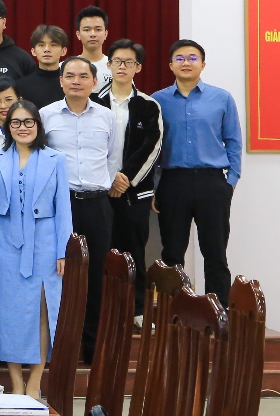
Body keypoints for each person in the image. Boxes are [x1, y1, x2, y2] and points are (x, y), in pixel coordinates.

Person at [0, 101, 72, 399]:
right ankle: (16, 382)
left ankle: (35, 381)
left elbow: (63, 209)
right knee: (9, 314)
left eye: (28, 122)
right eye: (16, 122)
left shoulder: (56, 159)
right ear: (8, 127)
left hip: (45, 244)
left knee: (42, 312)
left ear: (38, 125)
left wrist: (63, 251)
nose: (22, 127)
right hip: (4, 245)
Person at [153, 39, 242, 305]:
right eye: (179, 58)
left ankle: (218, 312)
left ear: (203, 64)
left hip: (212, 183)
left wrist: (231, 181)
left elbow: (233, 141)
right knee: (172, 253)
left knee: (215, 253)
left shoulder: (222, 98)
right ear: (170, 65)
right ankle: (172, 311)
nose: (186, 63)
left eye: (193, 58)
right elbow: (153, 148)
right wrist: (155, 186)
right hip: (173, 182)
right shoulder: (158, 100)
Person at [41, 56, 116, 360]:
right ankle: (61, 345)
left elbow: (113, 158)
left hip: (97, 204)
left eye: (83, 76)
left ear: (94, 82)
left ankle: (92, 346)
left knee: (96, 276)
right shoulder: (45, 115)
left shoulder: (107, 116)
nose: (76, 81)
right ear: (60, 81)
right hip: (60, 205)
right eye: (69, 75)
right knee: (59, 274)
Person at [99, 39, 163, 314]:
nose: (122, 67)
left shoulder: (149, 105)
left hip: (134, 194)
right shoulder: (94, 101)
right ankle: (103, 310)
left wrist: (124, 178)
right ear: (109, 65)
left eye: (129, 62)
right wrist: (108, 178)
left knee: (134, 251)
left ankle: (137, 310)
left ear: (138, 67)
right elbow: (88, 148)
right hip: (100, 191)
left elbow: (152, 147)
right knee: (102, 251)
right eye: (117, 61)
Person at [21, 25, 69, 110]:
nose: (47, 49)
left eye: (53, 45)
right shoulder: (21, 85)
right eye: (41, 45)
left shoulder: (70, 84)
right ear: (33, 51)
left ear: (63, 51)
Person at [74, 6, 112, 96]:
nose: (93, 34)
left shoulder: (117, 67)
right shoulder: (65, 67)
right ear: (78, 34)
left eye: (98, 29)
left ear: (106, 34)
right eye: (87, 30)